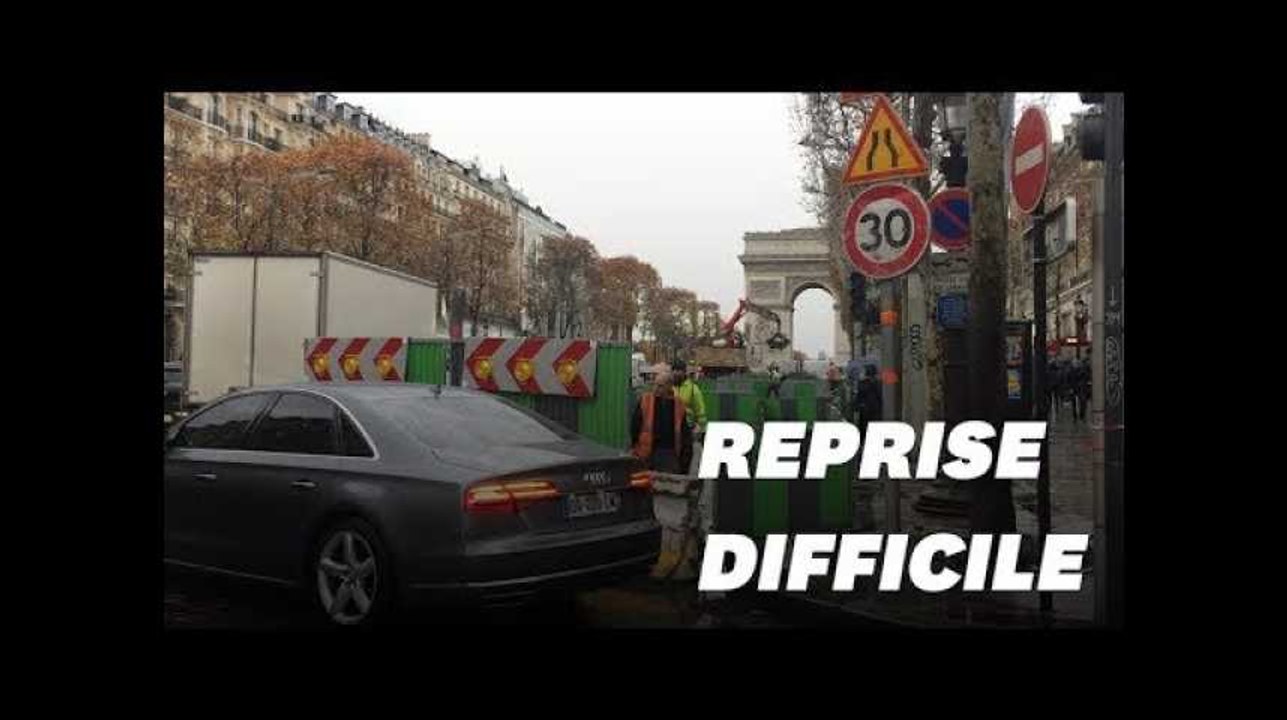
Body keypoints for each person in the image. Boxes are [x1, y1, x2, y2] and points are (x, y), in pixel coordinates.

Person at [630, 365, 693, 474]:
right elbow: (635, 426)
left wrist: (684, 460)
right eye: (654, 384)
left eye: (660, 386)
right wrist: (635, 446)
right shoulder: (645, 400)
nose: (655, 388)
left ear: (669, 386)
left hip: (668, 454)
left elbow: (684, 434)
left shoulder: (678, 404)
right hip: (646, 453)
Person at [855, 364, 882, 435]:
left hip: (866, 409)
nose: (861, 373)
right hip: (874, 409)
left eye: (863, 371)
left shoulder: (863, 383)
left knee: (864, 428)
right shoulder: (877, 382)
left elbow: (859, 396)